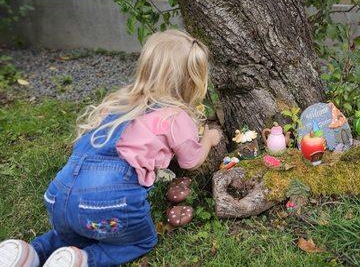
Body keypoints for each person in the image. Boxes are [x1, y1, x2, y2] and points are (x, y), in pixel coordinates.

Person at [0, 30, 222, 267]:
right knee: (141, 241)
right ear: (192, 81)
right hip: (108, 202)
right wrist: (208, 138)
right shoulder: (175, 116)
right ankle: (83, 261)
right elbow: (191, 160)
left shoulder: (119, 102)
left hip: (58, 195)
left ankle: (26, 254)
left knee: (70, 235)